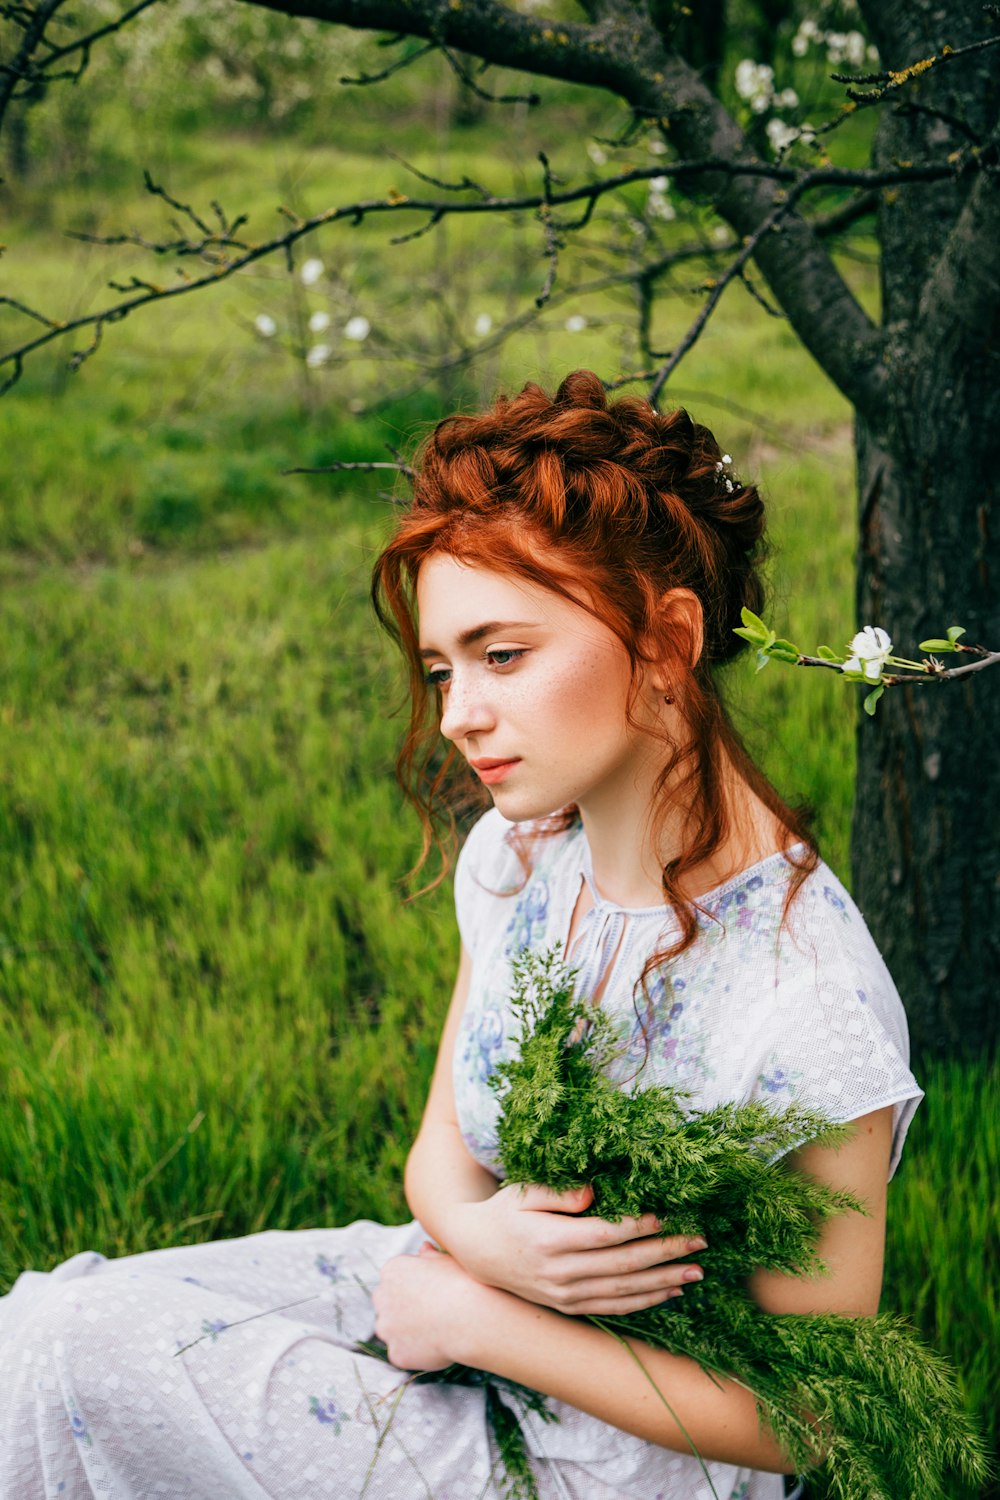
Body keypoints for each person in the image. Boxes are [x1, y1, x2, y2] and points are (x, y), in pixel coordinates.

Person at [0, 371, 922, 1500]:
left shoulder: (803, 1002)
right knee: (40, 1328)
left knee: (87, 1359)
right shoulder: (523, 857)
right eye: (442, 668)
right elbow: (442, 1155)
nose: (455, 715)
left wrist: (479, 1321)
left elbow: (816, 1416)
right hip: (445, 1279)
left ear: (667, 637)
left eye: (502, 655)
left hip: (618, 1453)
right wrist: (479, 1250)